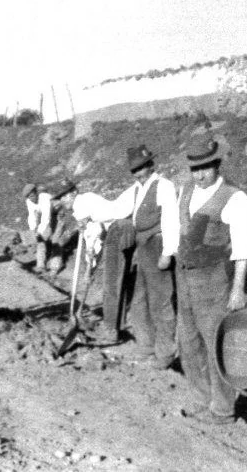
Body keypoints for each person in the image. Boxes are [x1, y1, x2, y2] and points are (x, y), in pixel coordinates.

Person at [174, 133, 247, 425]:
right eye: (194, 168)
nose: (199, 174)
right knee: (188, 340)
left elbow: (244, 247)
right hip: (184, 276)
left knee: (215, 342)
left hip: (213, 280)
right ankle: (203, 398)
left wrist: (237, 289)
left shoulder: (234, 197)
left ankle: (222, 409)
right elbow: (178, 230)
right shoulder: (185, 191)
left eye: (205, 168)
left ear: (217, 164)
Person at [77, 144, 180, 370]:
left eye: (142, 168)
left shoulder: (163, 186)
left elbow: (172, 219)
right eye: (134, 170)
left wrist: (167, 253)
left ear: (151, 165)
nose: (139, 173)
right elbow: (114, 209)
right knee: (139, 300)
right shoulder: (136, 189)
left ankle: (165, 355)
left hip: (159, 244)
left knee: (160, 302)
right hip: (143, 248)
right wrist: (89, 216)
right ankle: (146, 346)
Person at [22, 183, 53, 271]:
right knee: (40, 239)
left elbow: (46, 217)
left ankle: (54, 266)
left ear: (36, 193)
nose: (32, 199)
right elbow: (32, 215)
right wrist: (33, 230)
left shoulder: (45, 199)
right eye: (29, 197)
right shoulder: (29, 201)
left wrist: (39, 232)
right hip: (43, 215)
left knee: (55, 238)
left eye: (32, 196)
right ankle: (41, 265)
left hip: (55, 213)